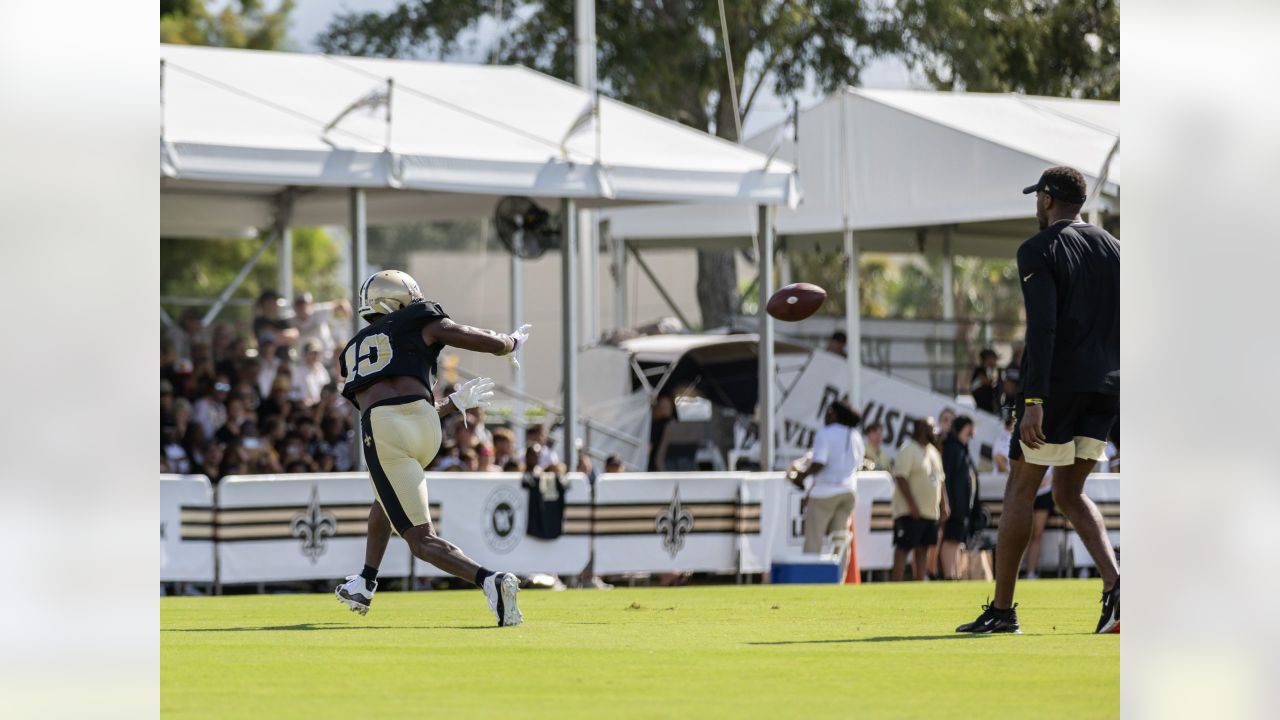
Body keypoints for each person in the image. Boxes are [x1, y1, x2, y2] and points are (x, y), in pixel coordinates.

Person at [958, 166, 1120, 635]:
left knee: (1019, 490)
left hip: (1058, 389)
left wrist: (1033, 399)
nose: (1036, 205)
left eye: (1037, 198)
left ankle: (1003, 612)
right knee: (1069, 491)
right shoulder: (1116, 250)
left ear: (1048, 200)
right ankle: (1117, 587)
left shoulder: (1039, 248)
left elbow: (1043, 328)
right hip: (1108, 387)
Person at [332, 269, 532, 627]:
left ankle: (490, 580)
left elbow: (381, 405)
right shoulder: (418, 316)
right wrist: (506, 343)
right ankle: (365, 580)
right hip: (427, 425)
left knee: (421, 540)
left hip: (386, 428)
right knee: (386, 496)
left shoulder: (352, 351)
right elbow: (462, 334)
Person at [789, 400, 863, 554]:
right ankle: (838, 575)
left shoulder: (825, 433)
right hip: (849, 492)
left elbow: (819, 464)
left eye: (828, 411)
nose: (825, 415)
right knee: (840, 540)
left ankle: (811, 576)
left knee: (813, 539)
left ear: (834, 414)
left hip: (825, 493)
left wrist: (801, 476)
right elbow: (858, 464)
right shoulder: (855, 435)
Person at [890, 418, 948, 581]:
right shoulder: (908, 449)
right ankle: (895, 584)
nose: (934, 432)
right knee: (903, 547)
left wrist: (944, 504)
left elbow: (940, 480)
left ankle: (919, 582)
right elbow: (901, 478)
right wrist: (912, 505)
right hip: (910, 511)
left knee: (923, 547)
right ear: (922, 429)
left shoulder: (933, 451)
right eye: (931, 428)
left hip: (930, 511)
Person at [940, 416, 978, 580]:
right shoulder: (952, 449)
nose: (969, 436)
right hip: (955, 505)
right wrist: (948, 503)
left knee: (957, 541)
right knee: (951, 539)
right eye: (967, 432)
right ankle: (949, 574)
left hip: (961, 505)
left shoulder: (960, 449)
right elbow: (947, 479)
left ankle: (954, 573)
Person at [1025, 469, 1054, 580]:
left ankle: (1030, 572)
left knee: (1037, 533)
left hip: (1044, 493)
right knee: (1023, 534)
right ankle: (1015, 573)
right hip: (1025, 491)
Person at [970, 349, 1002, 414]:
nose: (995, 361)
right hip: (982, 408)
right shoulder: (980, 371)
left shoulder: (990, 371)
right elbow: (987, 381)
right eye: (993, 359)